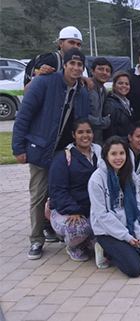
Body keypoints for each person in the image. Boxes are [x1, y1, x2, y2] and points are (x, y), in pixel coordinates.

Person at [13, 48, 90, 260]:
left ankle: (64, 232)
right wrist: (18, 148)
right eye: (71, 64)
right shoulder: (44, 82)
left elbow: (82, 123)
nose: (75, 68)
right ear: (64, 65)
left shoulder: (82, 90)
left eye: (79, 65)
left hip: (66, 153)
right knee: (38, 195)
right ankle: (36, 240)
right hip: (41, 149)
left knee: (65, 191)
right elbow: (24, 116)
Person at [89, 136, 140, 277]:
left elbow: (138, 206)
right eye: (113, 154)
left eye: (122, 153)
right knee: (135, 270)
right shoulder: (96, 179)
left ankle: (129, 251)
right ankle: (105, 251)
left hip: (131, 228)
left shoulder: (130, 175)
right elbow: (102, 215)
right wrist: (127, 238)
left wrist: (139, 233)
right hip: (108, 232)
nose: (118, 158)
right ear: (106, 155)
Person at [48, 119, 102, 261]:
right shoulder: (64, 158)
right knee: (79, 229)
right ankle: (72, 246)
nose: (85, 136)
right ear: (73, 135)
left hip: (91, 210)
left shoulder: (100, 155)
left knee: (104, 229)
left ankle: (88, 242)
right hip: (67, 211)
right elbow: (57, 190)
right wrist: (73, 210)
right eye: (80, 132)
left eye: (88, 132)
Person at [24, 26, 90, 91]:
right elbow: (27, 91)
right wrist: (39, 74)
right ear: (61, 43)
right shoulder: (50, 60)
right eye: (71, 43)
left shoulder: (79, 63)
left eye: (78, 44)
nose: (76, 47)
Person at [88, 58, 112, 144]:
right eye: (100, 69)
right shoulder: (86, 88)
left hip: (97, 141)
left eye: (107, 71)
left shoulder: (104, 91)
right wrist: (105, 122)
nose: (104, 73)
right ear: (92, 71)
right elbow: (82, 116)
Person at [103, 72, 133, 139]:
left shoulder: (128, 102)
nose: (124, 86)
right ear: (114, 86)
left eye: (127, 84)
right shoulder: (110, 105)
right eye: (120, 83)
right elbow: (110, 130)